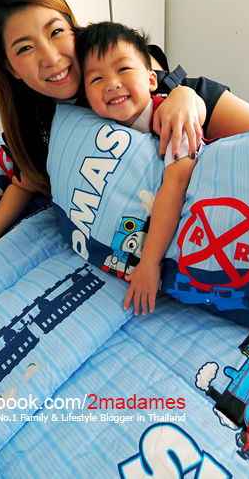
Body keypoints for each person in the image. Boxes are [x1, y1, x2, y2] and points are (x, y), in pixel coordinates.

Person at [0, 0, 249, 267]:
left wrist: (184, 96)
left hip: (187, 108)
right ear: (10, 67)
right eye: (25, 48)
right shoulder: (36, 123)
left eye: (56, 32)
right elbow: (26, 179)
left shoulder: (109, 60)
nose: (51, 57)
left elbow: (152, 71)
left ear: (73, 29)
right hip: (174, 182)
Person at [76, 21, 203, 315]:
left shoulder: (170, 119)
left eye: (123, 69)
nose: (111, 83)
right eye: (96, 78)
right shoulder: (97, 131)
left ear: (151, 80)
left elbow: (176, 186)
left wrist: (149, 262)